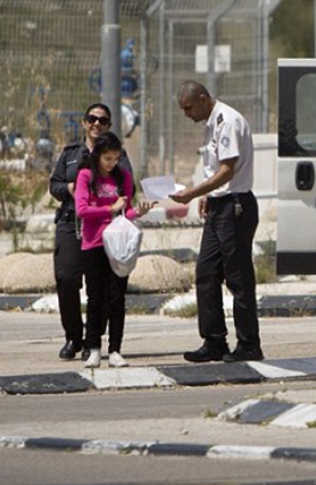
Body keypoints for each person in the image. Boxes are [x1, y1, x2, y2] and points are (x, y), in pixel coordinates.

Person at [170, 80, 263, 363]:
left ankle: (249, 344)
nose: (187, 115)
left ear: (202, 99)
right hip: (219, 206)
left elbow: (226, 171)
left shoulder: (228, 121)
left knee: (238, 278)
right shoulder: (212, 124)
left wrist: (193, 192)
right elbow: (217, 172)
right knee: (206, 273)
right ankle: (214, 341)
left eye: (188, 108)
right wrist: (206, 195)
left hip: (235, 207)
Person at [49, 103, 134, 361]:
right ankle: (74, 336)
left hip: (104, 229)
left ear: (108, 125)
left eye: (102, 120)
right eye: (91, 119)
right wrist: (70, 189)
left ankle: (92, 340)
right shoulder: (70, 153)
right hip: (71, 221)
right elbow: (55, 185)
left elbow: (125, 191)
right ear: (84, 123)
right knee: (66, 277)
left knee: (102, 288)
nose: (96, 123)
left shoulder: (118, 156)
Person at [74, 132, 154, 368]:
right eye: (108, 158)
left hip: (118, 244)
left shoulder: (124, 177)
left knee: (117, 297)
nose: (112, 163)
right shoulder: (85, 176)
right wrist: (109, 208)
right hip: (94, 243)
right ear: (98, 155)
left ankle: (116, 349)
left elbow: (126, 212)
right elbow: (82, 209)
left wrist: (138, 212)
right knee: (95, 298)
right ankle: (94, 348)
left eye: (116, 158)